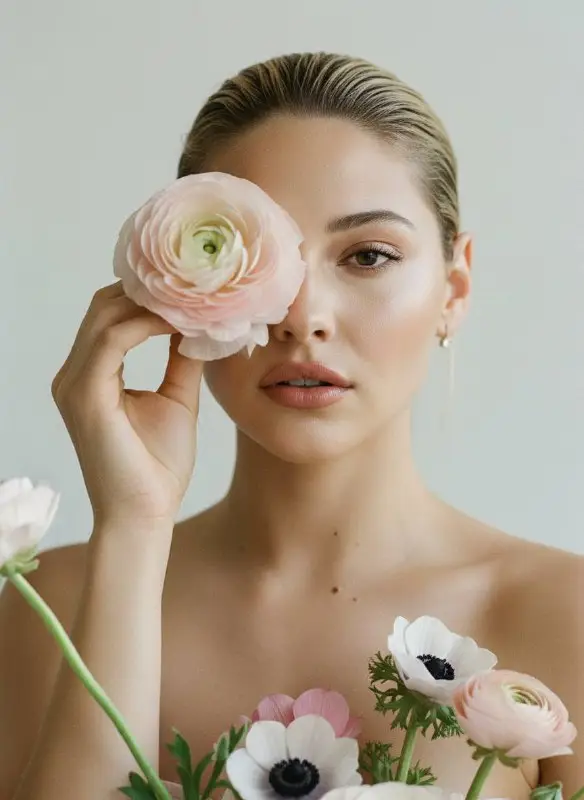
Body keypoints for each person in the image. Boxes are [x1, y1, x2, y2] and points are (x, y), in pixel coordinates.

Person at [0, 51, 582, 800]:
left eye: (368, 255)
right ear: (177, 294)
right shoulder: (43, 612)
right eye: (258, 260)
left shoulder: (565, 616)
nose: (304, 317)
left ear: (454, 288)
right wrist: (134, 530)